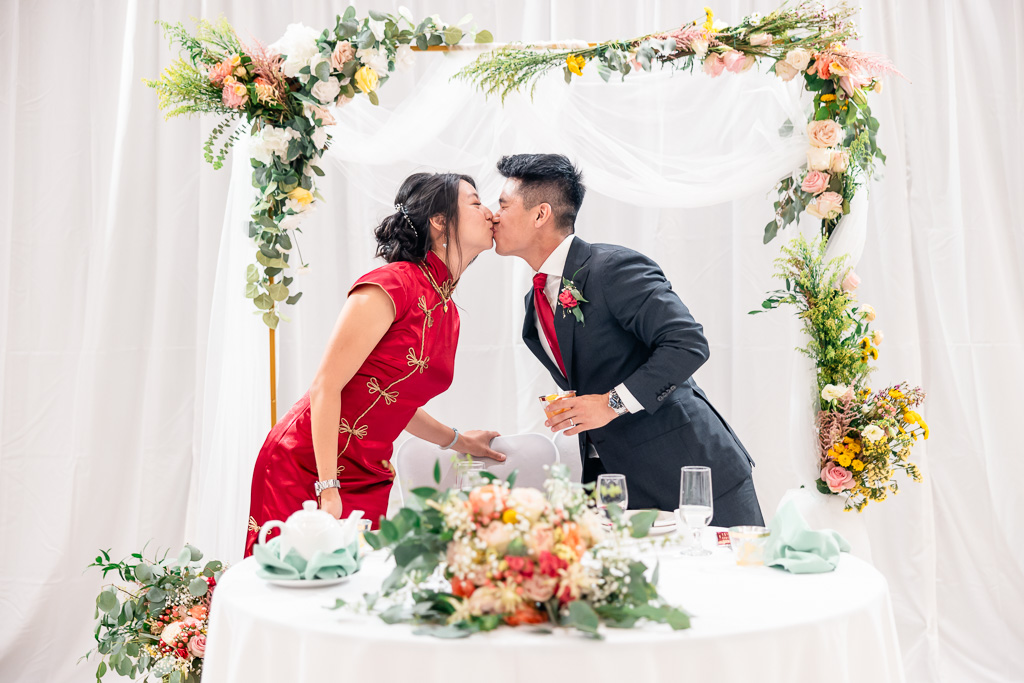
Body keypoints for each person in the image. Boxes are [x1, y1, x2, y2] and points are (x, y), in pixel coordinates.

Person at [490, 153, 763, 527]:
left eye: (503, 205)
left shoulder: (612, 268)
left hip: (693, 476)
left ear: (540, 215)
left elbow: (687, 343)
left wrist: (610, 402)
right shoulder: (533, 301)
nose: (494, 216)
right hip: (616, 486)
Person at [245, 172, 505, 557]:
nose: (489, 212)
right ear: (438, 220)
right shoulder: (390, 284)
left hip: (368, 473)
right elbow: (326, 386)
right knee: (295, 595)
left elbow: (395, 401)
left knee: (349, 604)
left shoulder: (447, 310)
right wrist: (328, 488)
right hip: (309, 468)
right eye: (474, 201)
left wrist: (460, 441)